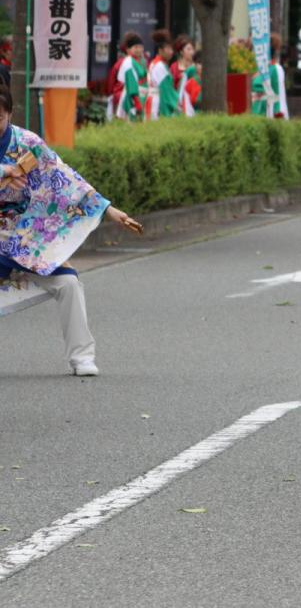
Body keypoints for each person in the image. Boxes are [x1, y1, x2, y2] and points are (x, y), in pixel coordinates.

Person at [0, 85, 142, 376]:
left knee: (68, 284)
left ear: (10, 114)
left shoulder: (27, 143)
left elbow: (65, 179)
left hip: (27, 237)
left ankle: (81, 357)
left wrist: (108, 209)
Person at [109, 32, 146, 121]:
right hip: (127, 97)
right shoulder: (128, 62)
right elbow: (113, 83)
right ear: (128, 50)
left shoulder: (142, 61)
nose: (139, 50)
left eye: (140, 47)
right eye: (135, 47)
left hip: (138, 96)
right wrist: (137, 102)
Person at [251, 34, 289, 119]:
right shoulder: (255, 69)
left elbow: (278, 93)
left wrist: (278, 112)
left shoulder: (276, 68)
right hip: (253, 114)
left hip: (267, 114)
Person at [148, 29, 178, 120]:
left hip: (154, 102)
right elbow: (166, 91)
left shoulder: (157, 63)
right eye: (168, 48)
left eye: (171, 48)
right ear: (160, 50)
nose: (171, 52)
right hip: (159, 104)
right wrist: (178, 104)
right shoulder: (160, 66)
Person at [171, 35, 201, 116]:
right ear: (181, 51)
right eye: (188, 49)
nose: (192, 52)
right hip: (179, 100)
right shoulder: (174, 67)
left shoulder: (196, 67)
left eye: (192, 49)